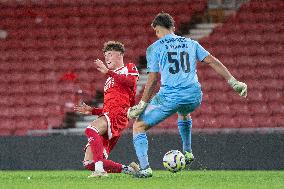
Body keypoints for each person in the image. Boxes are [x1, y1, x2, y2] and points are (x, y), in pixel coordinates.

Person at [127, 13, 248, 178]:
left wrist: (141, 104)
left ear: (156, 30)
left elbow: (153, 78)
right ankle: (188, 151)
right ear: (173, 28)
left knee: (138, 126)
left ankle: (145, 168)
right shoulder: (191, 43)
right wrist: (234, 82)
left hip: (170, 97)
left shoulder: (154, 48)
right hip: (194, 96)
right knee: (184, 111)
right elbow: (212, 61)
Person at [74, 41, 140, 177]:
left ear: (120, 54)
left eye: (110, 54)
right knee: (89, 163)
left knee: (90, 129)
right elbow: (109, 107)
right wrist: (92, 111)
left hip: (119, 115)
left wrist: (109, 72)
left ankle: (100, 171)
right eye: (105, 55)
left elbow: (131, 82)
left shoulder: (129, 67)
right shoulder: (108, 80)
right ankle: (130, 170)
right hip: (111, 114)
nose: (107, 58)